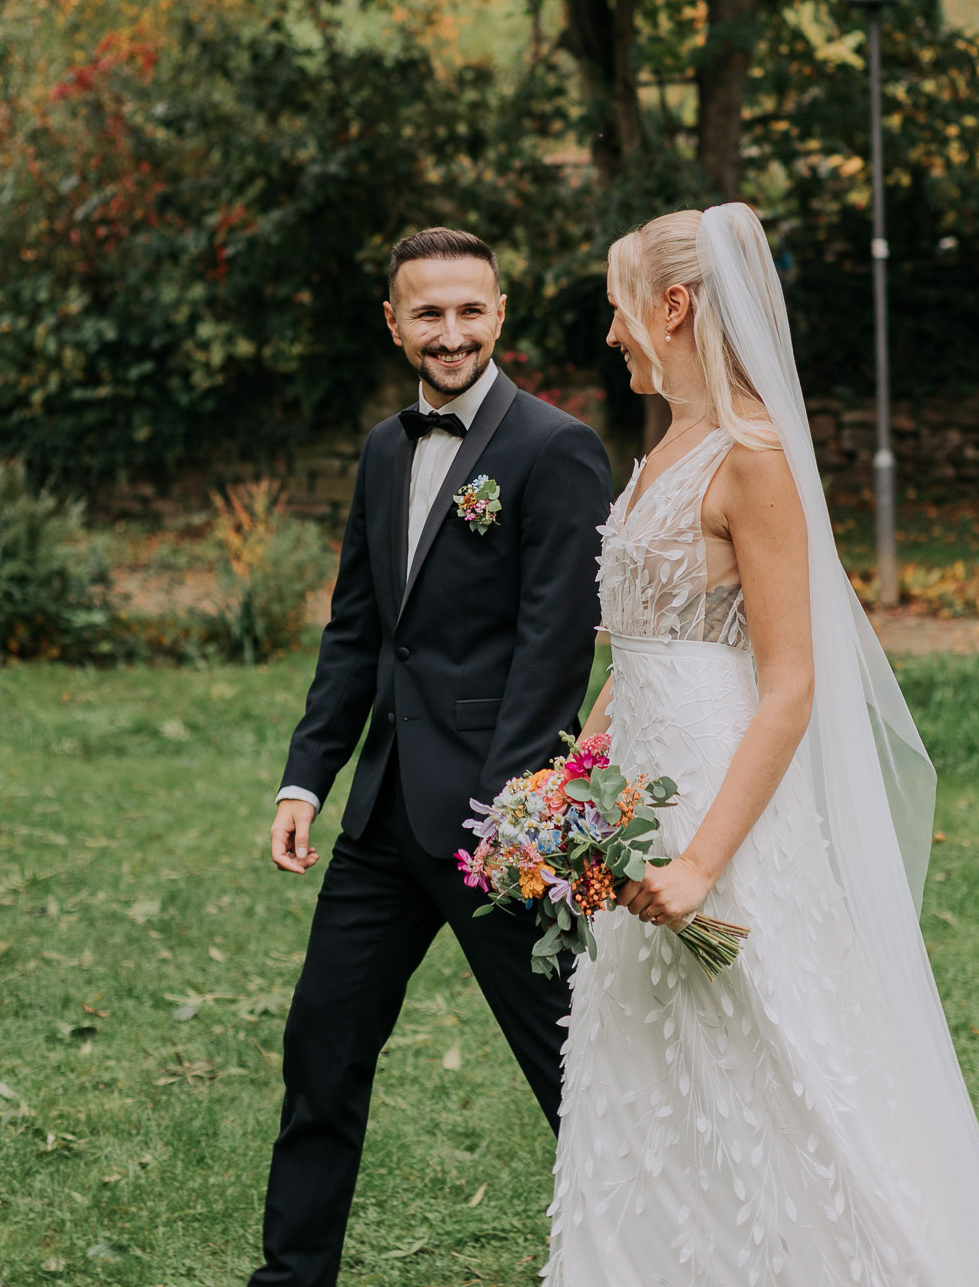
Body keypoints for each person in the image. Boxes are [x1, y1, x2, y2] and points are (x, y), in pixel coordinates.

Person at [544, 203, 979, 1287]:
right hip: (632, 806)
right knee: (653, 1066)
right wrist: (570, 798)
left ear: (670, 306)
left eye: (619, 306)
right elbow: (632, 652)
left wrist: (699, 861)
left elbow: (791, 686)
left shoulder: (753, 456)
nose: (610, 330)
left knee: (783, 1061)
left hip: (724, 805)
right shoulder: (659, 448)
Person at [248, 226, 613, 1287]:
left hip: (494, 833)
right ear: (394, 321)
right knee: (320, 1045)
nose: (447, 332)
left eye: (467, 310)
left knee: (569, 1064)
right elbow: (358, 632)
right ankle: (290, 1276)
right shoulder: (378, 449)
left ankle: (646, 1253)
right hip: (377, 820)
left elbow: (552, 650)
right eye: (426, 312)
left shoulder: (556, 448)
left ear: (499, 311)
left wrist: (504, 821)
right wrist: (305, 776)